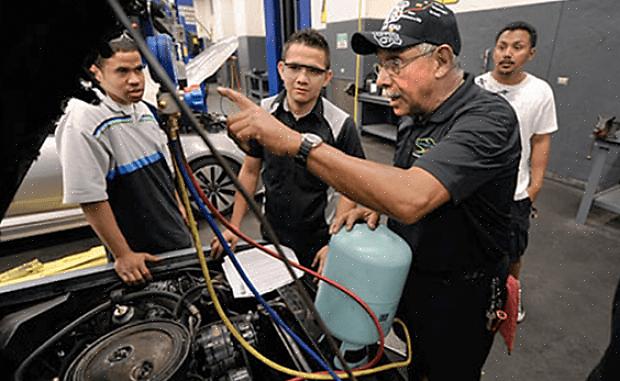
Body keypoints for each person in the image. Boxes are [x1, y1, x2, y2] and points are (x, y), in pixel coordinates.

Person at [217, 1, 521, 379]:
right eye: (381, 65)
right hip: (409, 276)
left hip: (460, 297)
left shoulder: (488, 119)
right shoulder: (415, 115)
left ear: (442, 60)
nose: (381, 79)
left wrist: (297, 143)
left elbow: (411, 197)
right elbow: (405, 184)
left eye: (395, 63)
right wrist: (378, 204)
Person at [210, 28, 365, 270]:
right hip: (271, 236)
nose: (302, 78)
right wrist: (234, 226)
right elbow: (250, 171)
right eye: (294, 68)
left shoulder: (340, 124)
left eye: (313, 70)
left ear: (327, 77)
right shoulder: (264, 114)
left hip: (320, 243)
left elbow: (352, 187)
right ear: (282, 69)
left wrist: (336, 243)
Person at [56, 33, 192, 285]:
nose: (134, 80)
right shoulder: (85, 120)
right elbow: (91, 197)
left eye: (138, 70)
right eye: (122, 71)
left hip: (175, 240)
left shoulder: (142, 109)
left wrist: (177, 205)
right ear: (96, 72)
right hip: (143, 259)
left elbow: (162, 169)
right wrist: (124, 254)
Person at [476, 21, 558, 323]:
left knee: (512, 253)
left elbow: (541, 139)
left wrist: (534, 187)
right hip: (476, 190)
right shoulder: (476, 87)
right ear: (493, 51)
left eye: (517, 47)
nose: (507, 54)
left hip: (516, 192)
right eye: (502, 46)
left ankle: (510, 298)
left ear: (531, 53)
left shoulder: (540, 92)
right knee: (474, 248)